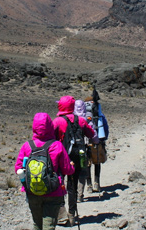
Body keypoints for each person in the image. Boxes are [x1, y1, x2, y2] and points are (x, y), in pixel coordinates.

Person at [15, 113, 75, 230]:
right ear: (50, 126)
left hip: (32, 190)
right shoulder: (57, 145)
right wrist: (72, 167)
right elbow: (67, 169)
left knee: (37, 225)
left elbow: (18, 167)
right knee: (49, 226)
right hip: (53, 191)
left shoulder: (27, 146)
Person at [52, 95, 99, 226]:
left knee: (59, 183)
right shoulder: (81, 120)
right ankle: (72, 215)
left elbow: (50, 139)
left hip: (60, 157)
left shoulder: (57, 121)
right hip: (77, 156)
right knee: (72, 186)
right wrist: (96, 141)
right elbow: (93, 135)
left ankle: (61, 213)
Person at [84, 92, 109, 193]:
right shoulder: (100, 115)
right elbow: (105, 128)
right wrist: (104, 138)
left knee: (87, 163)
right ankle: (97, 183)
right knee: (97, 162)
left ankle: (89, 185)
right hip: (98, 140)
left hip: (86, 141)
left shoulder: (82, 114)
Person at [74, 99, 96, 202]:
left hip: (70, 150)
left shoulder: (68, 119)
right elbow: (92, 134)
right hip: (83, 148)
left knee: (71, 172)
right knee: (82, 171)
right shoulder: (86, 119)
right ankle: (80, 195)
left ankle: (72, 194)